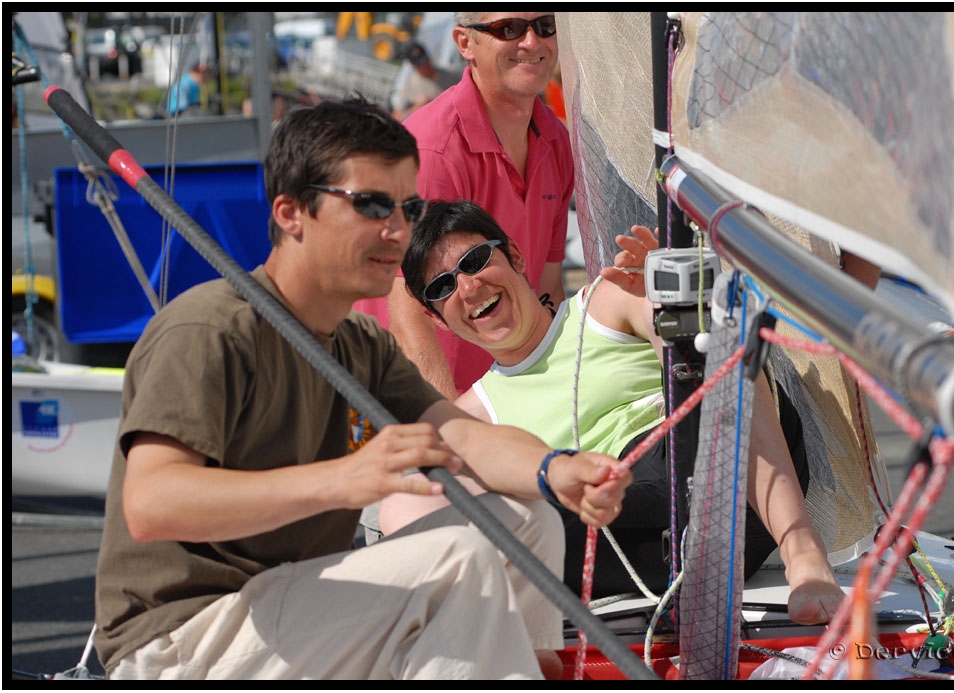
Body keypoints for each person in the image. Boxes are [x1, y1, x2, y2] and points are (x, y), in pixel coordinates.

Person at [92, 98, 631, 681]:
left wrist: (556, 470)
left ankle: (526, 668)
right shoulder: (210, 330)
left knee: (527, 518)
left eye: (409, 206)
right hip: (179, 638)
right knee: (461, 556)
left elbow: (464, 439)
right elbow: (151, 505)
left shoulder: (358, 343)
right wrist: (345, 479)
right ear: (292, 212)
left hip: (290, 604)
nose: (399, 230)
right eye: (372, 204)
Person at [379, 200, 846, 625]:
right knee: (412, 504)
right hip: (620, 527)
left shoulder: (603, 303)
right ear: (439, 319)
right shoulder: (471, 417)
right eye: (442, 286)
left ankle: (801, 546)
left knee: (710, 339)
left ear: (516, 258)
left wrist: (667, 302)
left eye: (475, 261)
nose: (467, 286)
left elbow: (699, 356)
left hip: (716, 473)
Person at [352, 12, 573, 402]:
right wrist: (451, 433)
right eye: (509, 29)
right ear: (464, 43)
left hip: (499, 397)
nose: (532, 42)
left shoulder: (555, 140)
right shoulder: (432, 152)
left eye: (545, 25)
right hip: (414, 405)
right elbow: (406, 315)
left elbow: (547, 287)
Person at [390, 41, 443, 122]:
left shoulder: (450, 75)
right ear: (414, 65)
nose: (425, 66)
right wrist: (418, 107)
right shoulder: (410, 83)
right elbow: (397, 118)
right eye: (420, 65)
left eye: (426, 61)